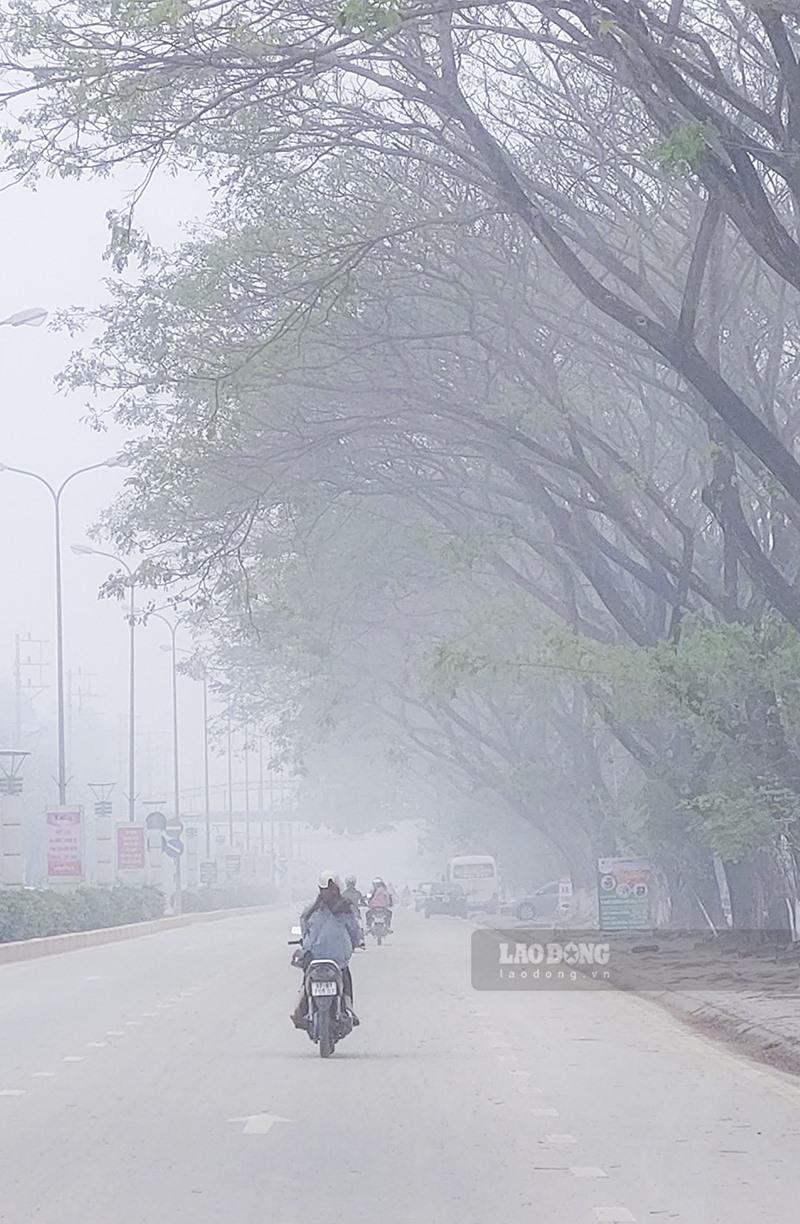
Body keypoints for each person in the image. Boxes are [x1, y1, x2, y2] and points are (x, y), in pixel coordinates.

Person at [291, 870, 362, 1029]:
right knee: (345, 979)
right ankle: (349, 1010)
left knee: (306, 981)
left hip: (314, 959)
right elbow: (354, 931)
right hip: (338, 961)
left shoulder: (311, 911)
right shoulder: (346, 909)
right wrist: (356, 942)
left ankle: (300, 1009)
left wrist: (305, 945)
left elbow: (304, 930)